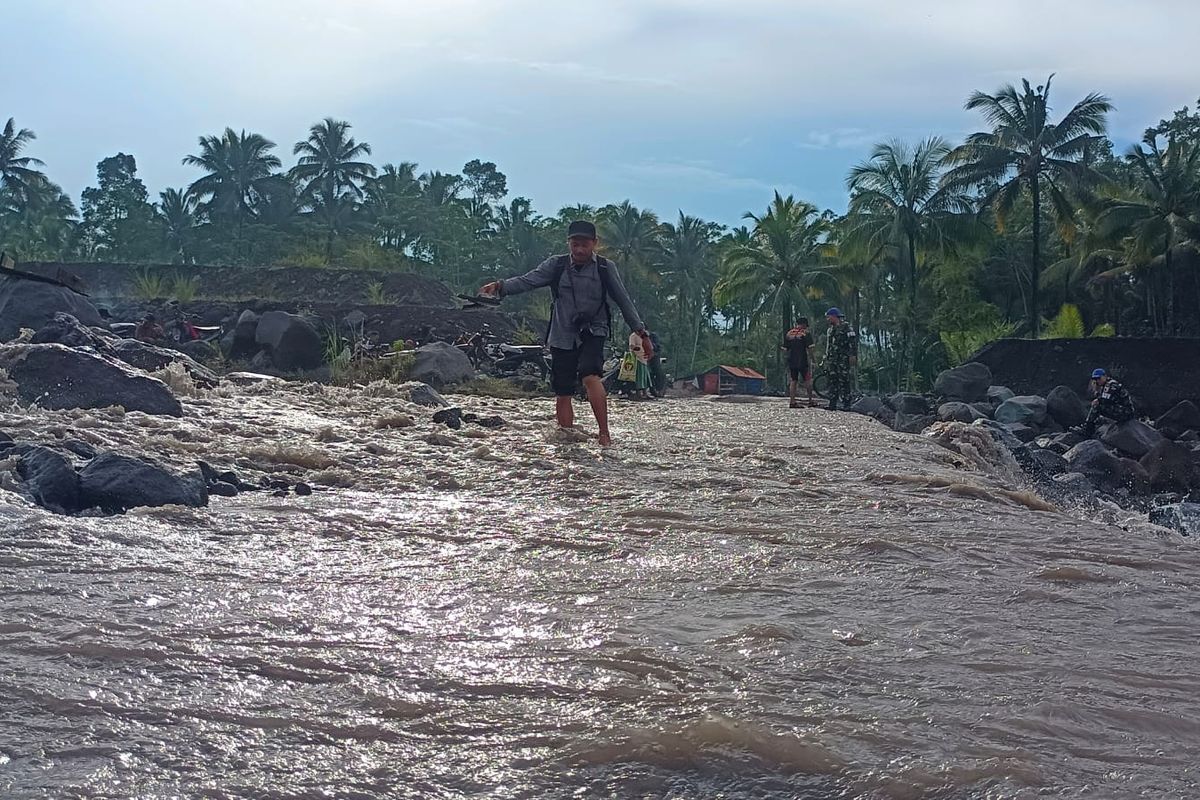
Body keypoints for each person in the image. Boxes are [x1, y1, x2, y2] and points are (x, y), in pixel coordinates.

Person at [480, 220, 650, 446]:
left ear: (595, 244)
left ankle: (604, 434)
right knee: (563, 390)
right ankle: (566, 438)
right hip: (562, 332)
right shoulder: (556, 265)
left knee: (591, 376)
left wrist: (642, 333)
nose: (579, 250)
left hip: (594, 330)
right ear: (568, 243)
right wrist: (500, 286)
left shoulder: (604, 268)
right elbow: (528, 281)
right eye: (575, 244)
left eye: (585, 245)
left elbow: (623, 300)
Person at [1078, 368, 1136, 436]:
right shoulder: (1103, 386)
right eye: (1095, 379)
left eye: (1099, 378)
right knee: (1098, 407)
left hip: (1126, 412)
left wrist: (1098, 400)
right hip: (1120, 410)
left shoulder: (1111, 384)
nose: (1097, 381)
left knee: (1097, 406)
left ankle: (1088, 428)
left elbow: (1107, 400)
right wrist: (1096, 391)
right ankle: (1089, 426)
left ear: (1104, 376)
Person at [822, 307, 857, 411]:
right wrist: (826, 357)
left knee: (844, 380)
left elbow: (852, 342)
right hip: (832, 359)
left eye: (828, 317)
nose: (827, 319)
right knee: (832, 380)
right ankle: (832, 403)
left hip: (843, 359)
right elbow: (829, 345)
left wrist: (852, 355)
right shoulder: (830, 330)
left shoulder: (846, 327)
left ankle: (847, 403)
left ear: (834, 316)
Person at [781, 317, 815, 408]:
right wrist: (813, 360)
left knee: (793, 380)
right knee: (807, 379)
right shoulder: (806, 333)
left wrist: (787, 359)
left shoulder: (789, 333)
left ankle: (792, 402)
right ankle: (810, 401)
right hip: (802, 360)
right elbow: (810, 349)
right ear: (804, 324)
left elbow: (785, 349)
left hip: (792, 361)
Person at [628, 329, 653, 399]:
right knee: (639, 376)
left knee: (645, 376)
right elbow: (631, 346)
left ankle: (645, 393)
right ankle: (638, 393)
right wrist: (638, 348)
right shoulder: (633, 336)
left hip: (644, 358)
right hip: (637, 358)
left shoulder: (644, 336)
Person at [646, 330, 666, 397]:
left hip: (654, 356)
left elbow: (657, 346)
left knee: (658, 372)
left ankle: (660, 389)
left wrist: (649, 344)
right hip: (644, 357)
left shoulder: (652, 335)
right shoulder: (638, 335)